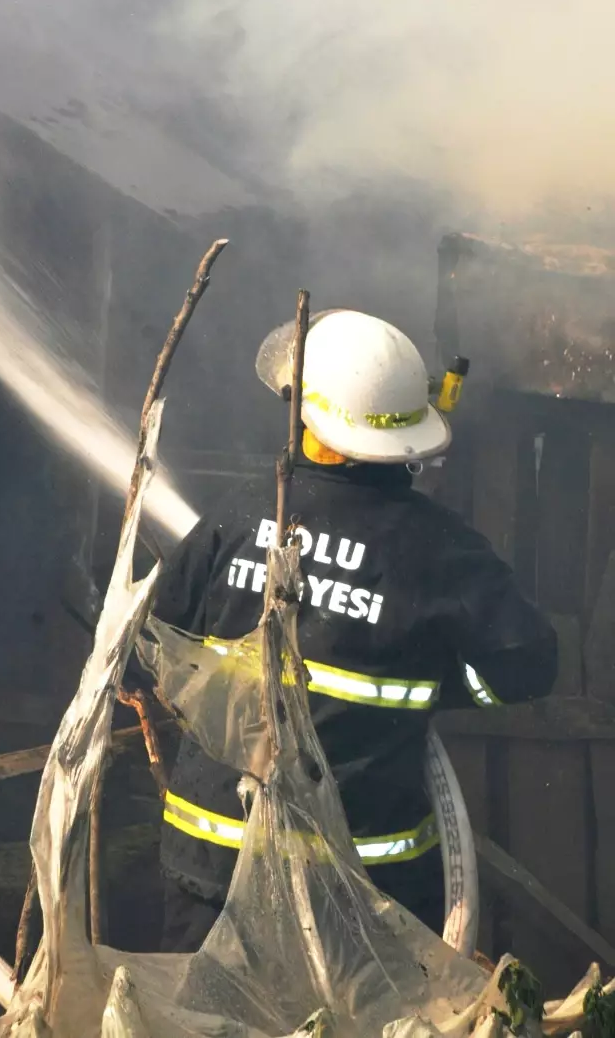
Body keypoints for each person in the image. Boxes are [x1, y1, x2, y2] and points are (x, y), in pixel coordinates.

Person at [152, 308, 558, 952]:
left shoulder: (241, 514)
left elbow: (156, 640)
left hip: (213, 862)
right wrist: (427, 685)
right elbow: (528, 664)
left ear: (312, 420)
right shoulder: (440, 550)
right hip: (364, 887)